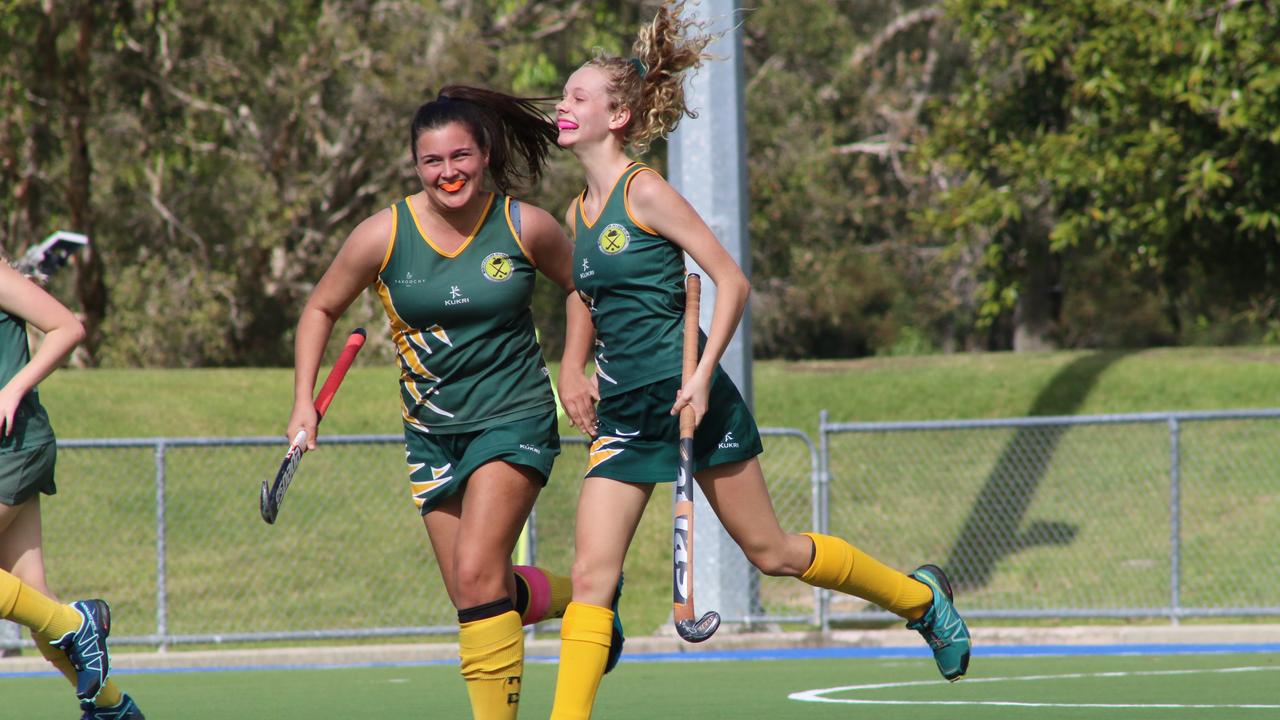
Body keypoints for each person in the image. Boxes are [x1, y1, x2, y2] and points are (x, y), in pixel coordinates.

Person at [548, 2, 971, 716]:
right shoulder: (576, 212)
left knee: (772, 553)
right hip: (623, 411)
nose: (562, 105)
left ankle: (921, 599)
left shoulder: (643, 191)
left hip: (690, 397)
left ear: (616, 116)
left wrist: (702, 376)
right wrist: (570, 366)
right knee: (592, 578)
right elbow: (583, 295)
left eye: (577, 96)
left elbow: (731, 280)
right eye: (564, 96)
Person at [286, 85, 615, 720]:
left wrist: (574, 366)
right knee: (478, 593)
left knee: (475, 574)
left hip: (513, 418)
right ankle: (591, 603)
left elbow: (584, 287)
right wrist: (304, 400)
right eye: (432, 162)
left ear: (485, 153)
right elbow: (320, 308)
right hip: (431, 431)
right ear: (416, 164)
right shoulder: (383, 234)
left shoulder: (524, 225)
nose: (448, 173)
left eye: (460, 157)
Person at [0, 259, 145, 719]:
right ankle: (113, 708)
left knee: (47, 616)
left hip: (12, 445)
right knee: (32, 596)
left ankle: (77, 624)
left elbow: (67, 327)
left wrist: (13, 389)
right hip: (13, 449)